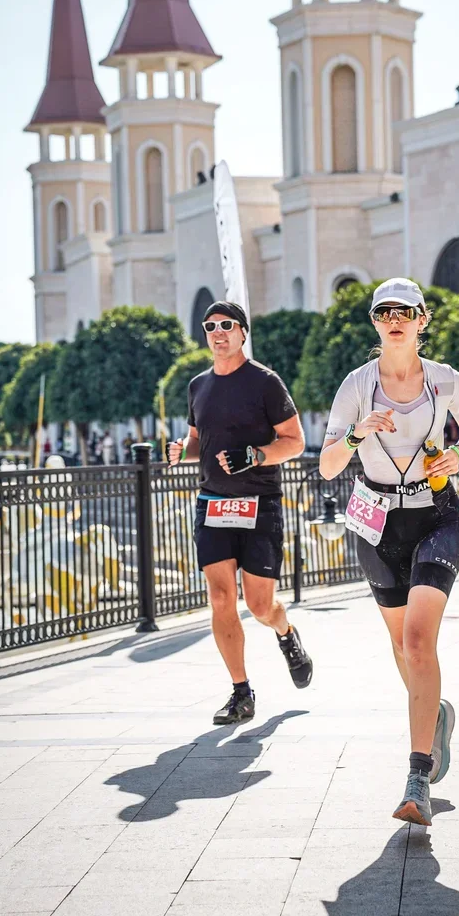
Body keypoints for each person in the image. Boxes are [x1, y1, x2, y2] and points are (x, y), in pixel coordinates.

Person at [319, 278, 459, 827]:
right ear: (375, 322)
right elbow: (326, 464)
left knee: (418, 640)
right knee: (402, 646)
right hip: (375, 524)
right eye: (384, 311)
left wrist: (457, 451)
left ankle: (418, 776)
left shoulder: (444, 380)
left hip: (435, 515)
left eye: (405, 311)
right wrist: (356, 434)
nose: (395, 318)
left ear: (422, 319)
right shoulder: (356, 385)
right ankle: (434, 713)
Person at [169, 299, 313, 725]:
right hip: (213, 502)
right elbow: (200, 441)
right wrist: (183, 449)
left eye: (227, 325)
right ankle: (240, 693)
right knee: (219, 597)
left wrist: (255, 455)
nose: (218, 332)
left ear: (243, 332)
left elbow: (295, 441)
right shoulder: (198, 386)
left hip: (258, 504)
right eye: (210, 326)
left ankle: (285, 632)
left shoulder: (265, 382)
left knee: (259, 605)